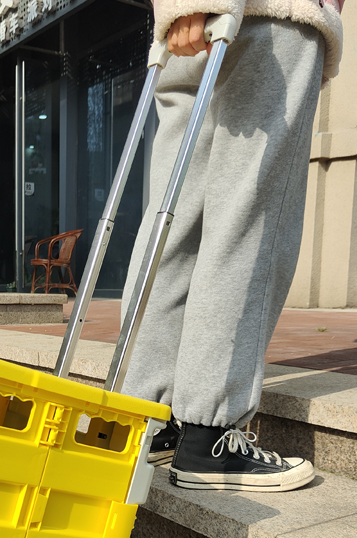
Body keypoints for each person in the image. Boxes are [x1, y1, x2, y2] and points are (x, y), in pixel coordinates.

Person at [122, 0, 345, 491]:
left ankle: (148, 419)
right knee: (249, 219)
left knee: (174, 222)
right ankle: (209, 439)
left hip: (184, 32)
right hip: (276, 15)